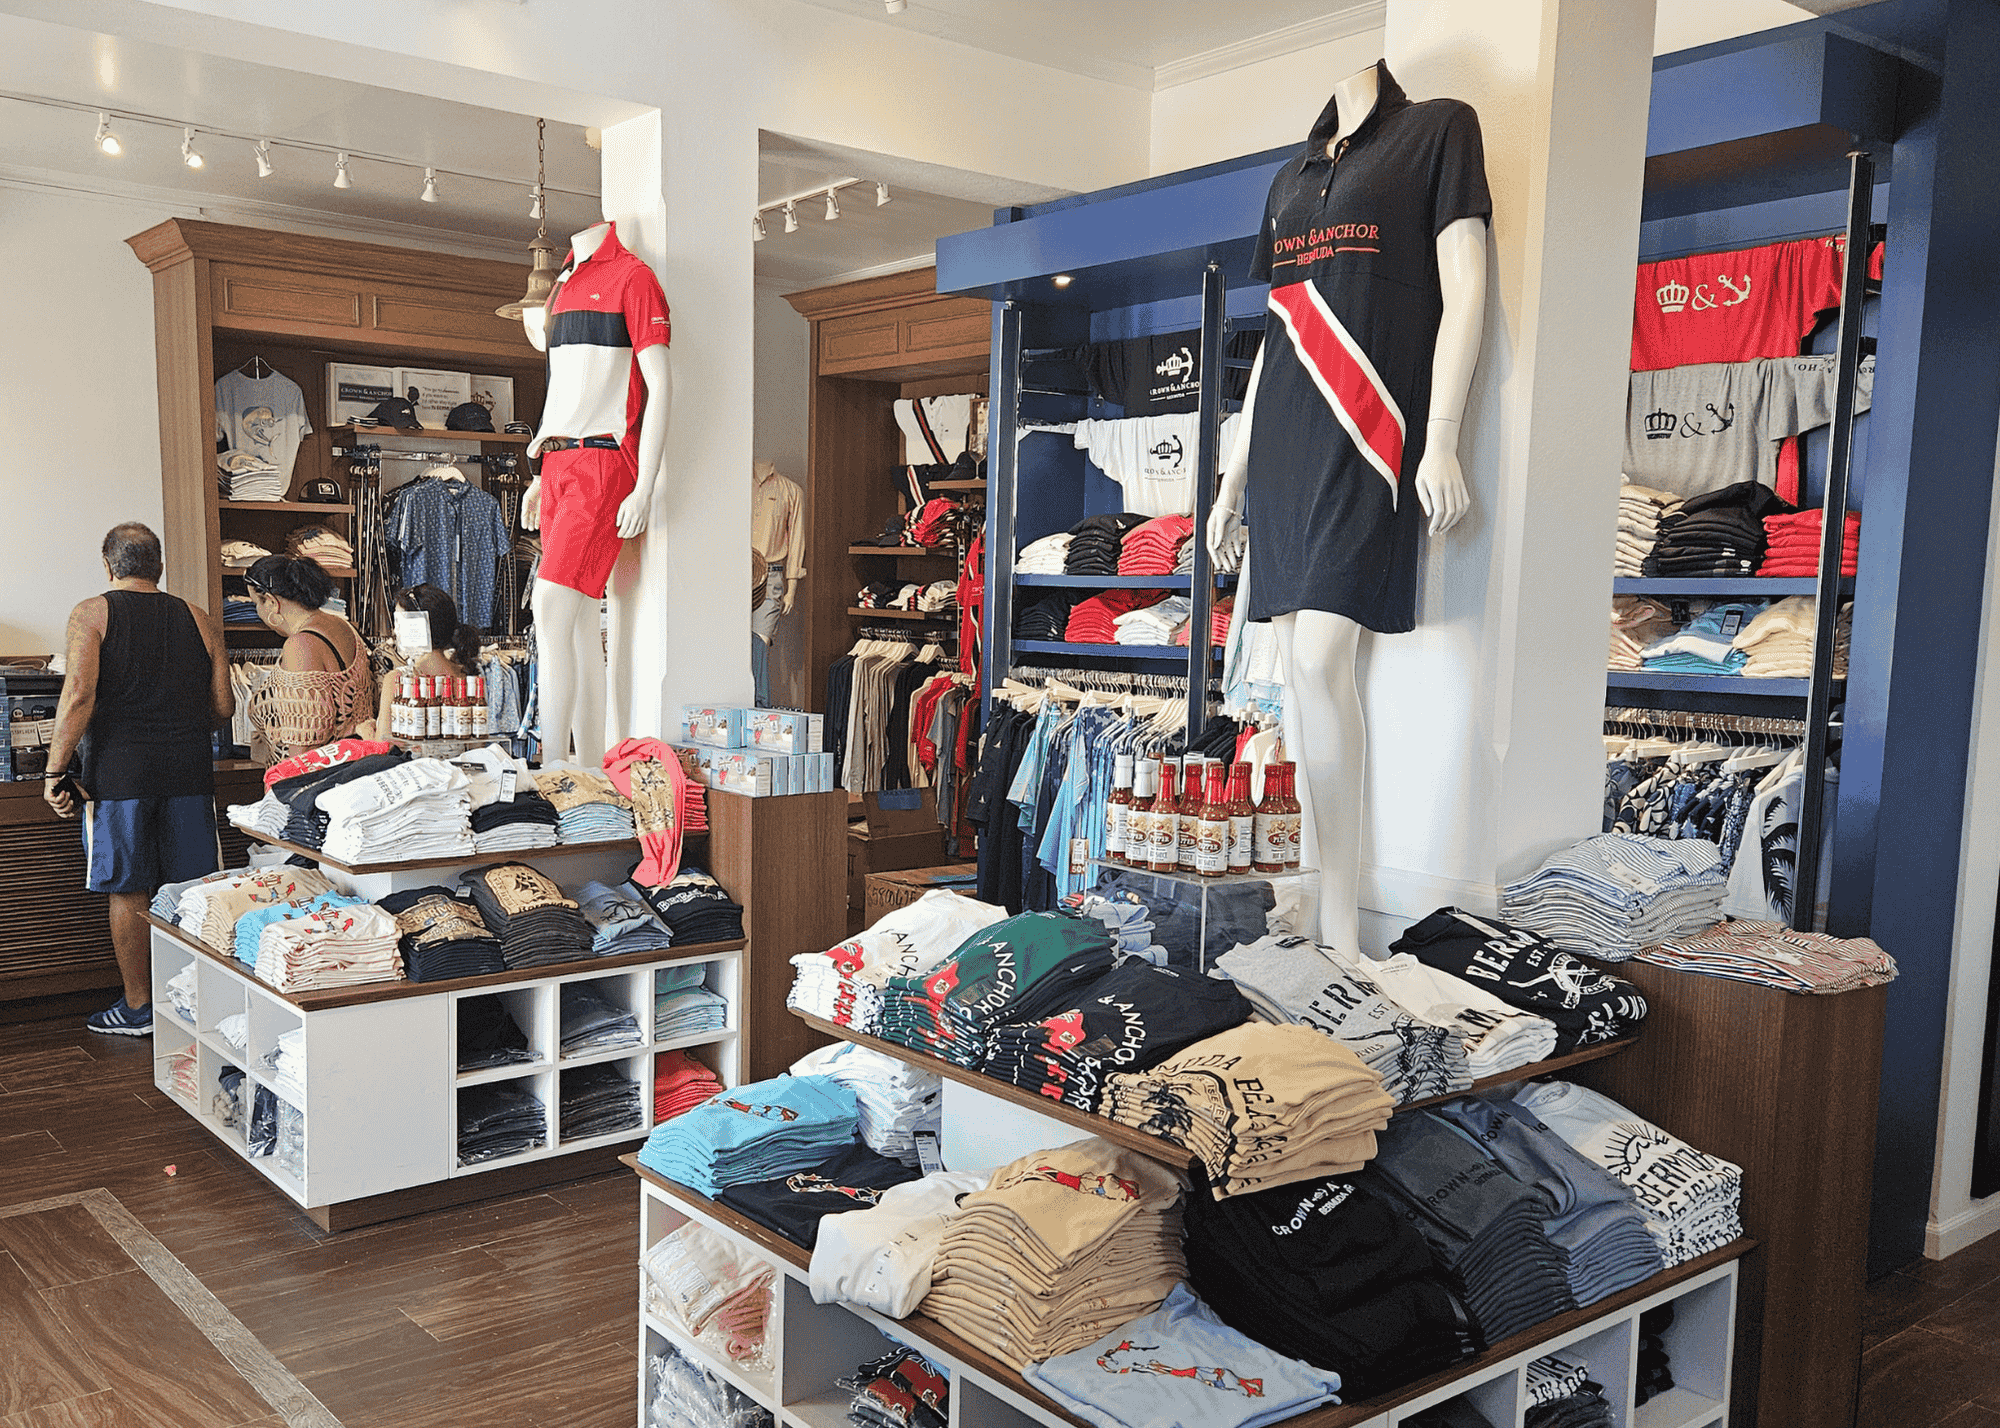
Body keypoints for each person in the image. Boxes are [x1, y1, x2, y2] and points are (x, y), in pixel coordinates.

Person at [43, 523, 233, 1035]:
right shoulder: (199, 617)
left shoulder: (91, 613)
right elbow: (223, 705)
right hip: (189, 773)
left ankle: (139, 1008)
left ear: (109, 567)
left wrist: (55, 770)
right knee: (191, 889)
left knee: (128, 888)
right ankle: (192, 1002)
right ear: (160, 566)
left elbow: (78, 695)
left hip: (119, 777)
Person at [240, 554, 374, 759]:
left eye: (256, 603)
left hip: (320, 775)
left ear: (271, 602)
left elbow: (302, 752)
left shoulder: (300, 647)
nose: (257, 611)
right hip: (353, 765)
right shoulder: (343, 626)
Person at [359, 584, 483, 740]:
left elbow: (383, 747)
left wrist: (365, 732)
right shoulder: (469, 679)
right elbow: (477, 744)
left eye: (399, 623)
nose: (395, 631)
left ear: (417, 628)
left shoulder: (398, 680)